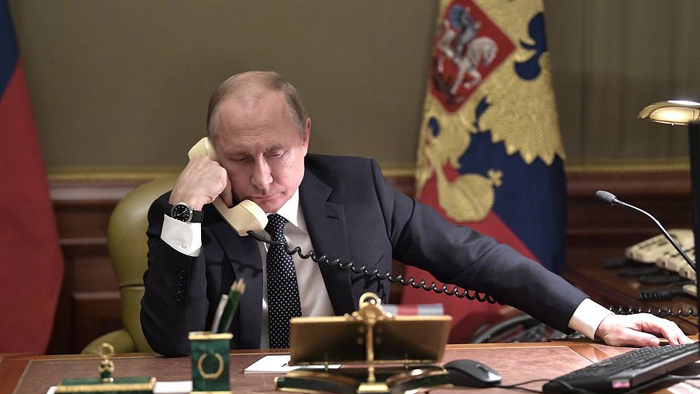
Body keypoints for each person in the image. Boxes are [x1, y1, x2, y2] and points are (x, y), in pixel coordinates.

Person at [141, 71, 691, 357]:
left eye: (276, 153)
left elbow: (477, 259)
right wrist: (185, 214)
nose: (262, 179)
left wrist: (600, 320)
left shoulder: (358, 191)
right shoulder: (185, 218)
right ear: (212, 153)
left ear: (305, 137)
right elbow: (170, 342)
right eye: (240, 158)